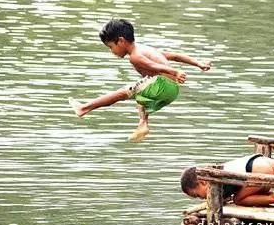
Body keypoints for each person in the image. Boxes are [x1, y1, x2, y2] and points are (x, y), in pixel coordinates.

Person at [69, 19, 210, 142]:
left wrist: (175, 72)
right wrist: (198, 63)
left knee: (125, 91)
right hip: (172, 90)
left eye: (111, 47)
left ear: (121, 41)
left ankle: (84, 108)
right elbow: (175, 56)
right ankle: (143, 124)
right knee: (141, 90)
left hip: (163, 85)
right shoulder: (145, 49)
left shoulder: (135, 56)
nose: (111, 51)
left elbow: (153, 66)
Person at [180, 154, 274, 211]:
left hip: (258, 170)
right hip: (269, 163)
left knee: (239, 199)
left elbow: (215, 203)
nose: (201, 198)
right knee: (250, 195)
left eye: (197, 195)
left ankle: (273, 198)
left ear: (202, 182)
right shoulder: (216, 171)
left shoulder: (215, 181)